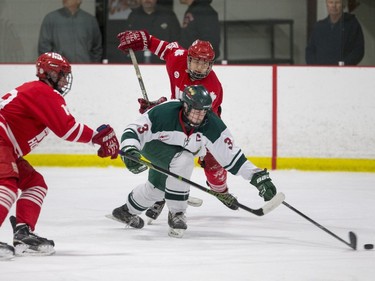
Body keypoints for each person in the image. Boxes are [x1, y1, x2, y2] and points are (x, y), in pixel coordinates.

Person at [110, 85, 277, 238]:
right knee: (184, 160)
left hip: (173, 154)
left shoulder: (211, 124)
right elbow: (133, 130)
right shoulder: (164, 113)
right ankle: (177, 213)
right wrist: (129, 151)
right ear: (185, 106)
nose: (199, 116)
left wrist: (257, 177)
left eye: (203, 111)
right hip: (152, 145)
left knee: (158, 189)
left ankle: (126, 211)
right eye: (195, 110)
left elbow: (232, 156)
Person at [0, 52, 119, 260]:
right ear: (48, 74)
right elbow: (67, 129)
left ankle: (23, 234)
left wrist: (95, 138)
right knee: (7, 185)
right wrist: (96, 137)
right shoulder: (42, 91)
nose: (65, 80)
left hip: (7, 146)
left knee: (35, 183)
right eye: (61, 75)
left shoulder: (39, 92)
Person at [117, 30, 234, 222]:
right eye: (196, 61)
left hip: (204, 125)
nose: (200, 67)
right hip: (178, 118)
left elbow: (198, 119)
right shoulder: (177, 59)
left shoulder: (212, 88)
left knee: (214, 167)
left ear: (211, 65)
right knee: (167, 152)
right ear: (188, 58)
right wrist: (144, 39)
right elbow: (162, 46)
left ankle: (222, 191)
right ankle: (160, 192)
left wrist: (160, 107)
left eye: (205, 63)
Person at [38, 0, 103, 63]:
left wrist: (92, 66)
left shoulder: (90, 20)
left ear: (79, 1)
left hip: (85, 69)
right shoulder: (51, 19)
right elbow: (44, 47)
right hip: (60, 70)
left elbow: (97, 48)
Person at [305, 0, 364, 65]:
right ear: (327, 4)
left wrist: (344, 64)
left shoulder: (352, 24)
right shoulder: (319, 26)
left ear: (342, 5)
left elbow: (358, 50)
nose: (334, 6)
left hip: (345, 72)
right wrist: (315, 67)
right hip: (321, 72)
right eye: (331, 2)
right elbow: (310, 50)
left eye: (337, 2)